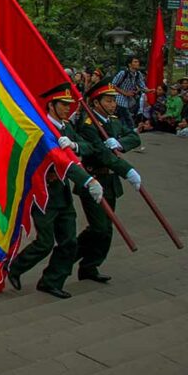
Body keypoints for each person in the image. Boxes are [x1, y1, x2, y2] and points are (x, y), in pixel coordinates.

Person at [7, 84, 105, 298]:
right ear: (51, 105)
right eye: (62, 104)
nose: (66, 109)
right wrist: (88, 181)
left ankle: (51, 281)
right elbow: (60, 162)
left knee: (69, 241)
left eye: (69, 105)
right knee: (45, 242)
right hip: (43, 194)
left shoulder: (66, 127)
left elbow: (89, 147)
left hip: (62, 194)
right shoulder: (40, 129)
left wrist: (75, 146)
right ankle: (14, 268)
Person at [73, 78, 143, 284]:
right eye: (109, 100)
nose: (113, 104)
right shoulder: (88, 124)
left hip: (110, 182)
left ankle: (90, 266)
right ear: (96, 102)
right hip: (94, 180)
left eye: (114, 100)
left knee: (106, 227)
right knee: (99, 227)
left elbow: (134, 137)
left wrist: (120, 143)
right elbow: (103, 155)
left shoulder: (113, 120)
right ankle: (66, 257)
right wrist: (128, 171)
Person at [111, 58, 145, 130]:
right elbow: (113, 85)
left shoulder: (138, 74)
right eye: (135, 62)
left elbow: (142, 86)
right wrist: (125, 93)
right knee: (127, 120)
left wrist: (149, 90)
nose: (137, 63)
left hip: (129, 101)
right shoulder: (123, 73)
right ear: (130, 64)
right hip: (120, 100)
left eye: (138, 62)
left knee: (125, 120)